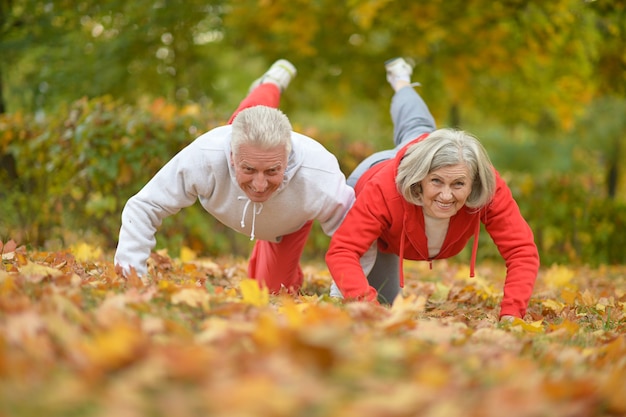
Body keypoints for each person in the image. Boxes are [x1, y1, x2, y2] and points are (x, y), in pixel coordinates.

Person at [115, 59, 355, 293]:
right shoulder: (206, 156)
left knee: (275, 291)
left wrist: (342, 294)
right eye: (248, 170)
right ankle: (270, 84)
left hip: (287, 222)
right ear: (231, 156)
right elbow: (144, 206)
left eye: (272, 171)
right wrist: (131, 275)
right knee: (251, 115)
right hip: (245, 146)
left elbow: (353, 239)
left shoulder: (318, 175)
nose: (260, 185)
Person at [326, 58, 539, 321]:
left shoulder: (487, 186)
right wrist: (367, 304)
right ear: (420, 180)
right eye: (437, 182)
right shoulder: (383, 189)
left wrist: (512, 313)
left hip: (426, 148)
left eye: (459, 184)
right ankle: (401, 84)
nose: (447, 196)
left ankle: (401, 80)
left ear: (473, 182)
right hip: (380, 169)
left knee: (417, 124)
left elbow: (522, 250)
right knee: (383, 302)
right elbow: (343, 250)